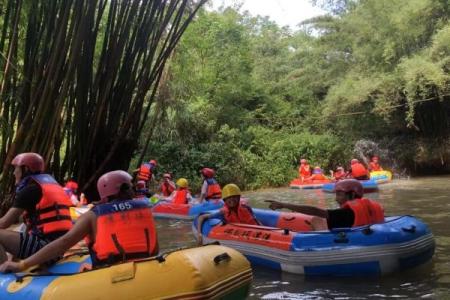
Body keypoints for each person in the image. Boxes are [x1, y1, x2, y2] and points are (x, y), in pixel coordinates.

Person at [0, 170, 158, 273]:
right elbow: (155, 248)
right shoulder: (145, 208)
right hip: (147, 270)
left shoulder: (93, 216)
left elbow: (63, 243)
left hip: (109, 274)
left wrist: (22, 265)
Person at [0, 153, 73, 264]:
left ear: (25, 169)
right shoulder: (47, 185)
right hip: (58, 247)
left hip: (45, 249)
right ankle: (10, 264)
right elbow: (28, 226)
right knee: (21, 228)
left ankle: (4, 273)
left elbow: (4, 223)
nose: (14, 173)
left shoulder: (30, 190)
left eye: (16, 169)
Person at [267, 179, 384, 230]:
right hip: (367, 236)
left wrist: (284, 204)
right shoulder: (374, 206)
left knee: (316, 219)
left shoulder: (347, 213)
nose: (336, 199)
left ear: (352, 195)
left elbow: (315, 211)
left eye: (339, 194)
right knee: (319, 219)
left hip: (350, 244)